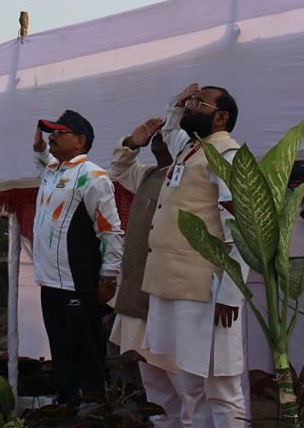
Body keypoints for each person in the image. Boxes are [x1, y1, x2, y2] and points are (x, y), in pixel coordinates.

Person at [140, 83, 247, 428]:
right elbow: (170, 129)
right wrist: (177, 102)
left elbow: (242, 229)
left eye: (199, 103)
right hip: (173, 285)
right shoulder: (190, 149)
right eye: (190, 103)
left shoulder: (228, 155)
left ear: (221, 117)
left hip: (207, 289)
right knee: (188, 384)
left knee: (220, 386)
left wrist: (232, 292)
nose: (190, 108)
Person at [32, 109, 122, 405]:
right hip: (50, 284)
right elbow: (43, 161)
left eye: (60, 132)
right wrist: (39, 150)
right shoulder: (52, 171)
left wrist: (109, 276)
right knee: (61, 356)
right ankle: (67, 409)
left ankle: (95, 412)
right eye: (51, 132)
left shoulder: (93, 176)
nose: (52, 137)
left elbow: (110, 230)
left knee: (86, 357)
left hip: (77, 284)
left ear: (80, 140)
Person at [109, 124, 192, 426]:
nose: (158, 137)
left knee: (187, 390)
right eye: (155, 135)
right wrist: (132, 142)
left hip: (169, 302)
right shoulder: (147, 175)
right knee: (156, 393)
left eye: (165, 134)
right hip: (138, 302)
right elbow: (118, 168)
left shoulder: (192, 175)